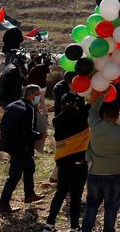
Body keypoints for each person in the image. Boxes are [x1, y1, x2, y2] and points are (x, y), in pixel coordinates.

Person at [82, 92, 120, 232]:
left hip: (95, 173)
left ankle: (86, 229)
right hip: (116, 174)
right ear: (117, 116)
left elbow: (92, 110)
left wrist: (103, 95)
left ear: (104, 114)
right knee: (111, 207)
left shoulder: (94, 126)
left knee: (91, 205)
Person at [44, 92, 90, 232]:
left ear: (61, 104)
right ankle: (74, 226)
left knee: (60, 193)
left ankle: (50, 224)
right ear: (75, 103)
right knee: (76, 196)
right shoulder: (82, 116)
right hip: (80, 163)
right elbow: (91, 105)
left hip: (64, 164)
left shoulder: (56, 121)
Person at [0, 84, 45, 214]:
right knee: (14, 176)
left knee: (30, 167)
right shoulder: (28, 109)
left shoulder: (13, 104)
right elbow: (27, 133)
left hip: (10, 143)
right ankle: (3, 205)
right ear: (31, 95)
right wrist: (40, 135)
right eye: (37, 94)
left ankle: (29, 194)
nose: (39, 97)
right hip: (20, 146)